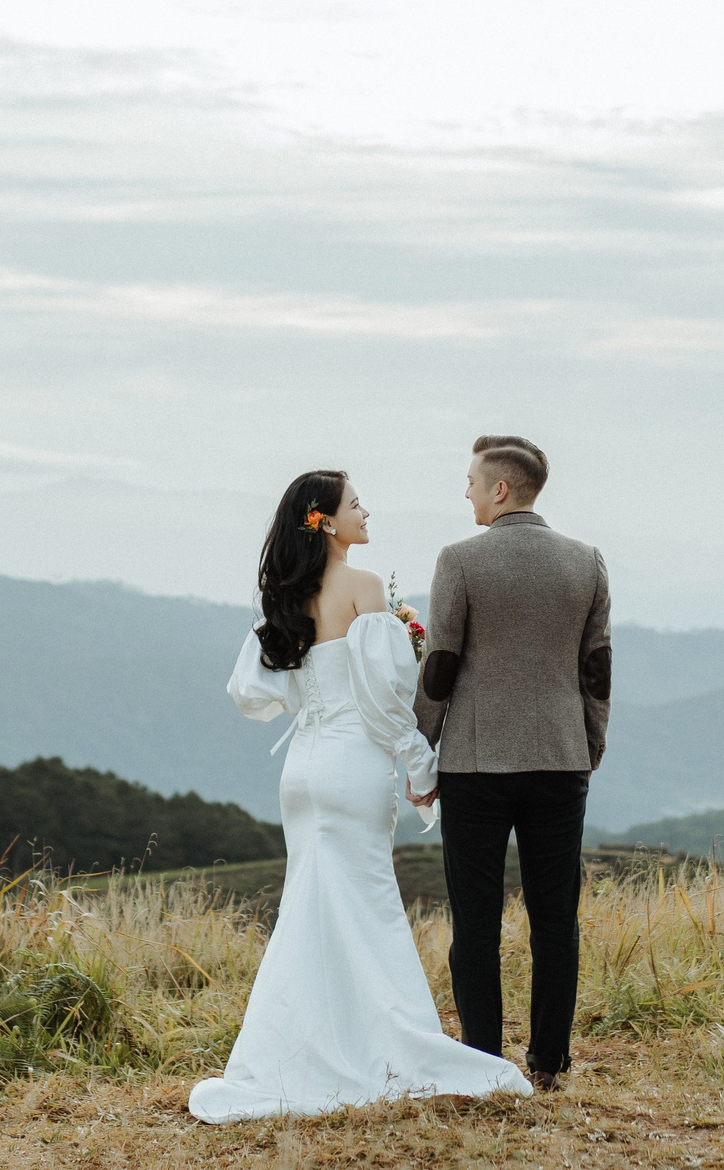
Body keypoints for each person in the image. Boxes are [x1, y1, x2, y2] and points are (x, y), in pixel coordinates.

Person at [189, 469, 533, 1122]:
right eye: (354, 503)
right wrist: (420, 763)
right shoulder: (365, 588)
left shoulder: (288, 598)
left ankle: (295, 1050)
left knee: (311, 908)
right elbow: (382, 701)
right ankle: (383, 1044)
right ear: (323, 518)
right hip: (353, 766)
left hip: (303, 771)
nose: (365, 510)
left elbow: (253, 692)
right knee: (369, 901)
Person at [412, 436, 610, 1092]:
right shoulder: (586, 562)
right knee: (556, 917)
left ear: (500, 489)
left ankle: (485, 1063)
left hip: (474, 764)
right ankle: (549, 1062)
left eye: (471, 479)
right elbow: (596, 667)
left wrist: (422, 748)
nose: (465, 489)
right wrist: (589, 745)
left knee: (476, 920)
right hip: (560, 760)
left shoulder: (460, 561)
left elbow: (440, 661)